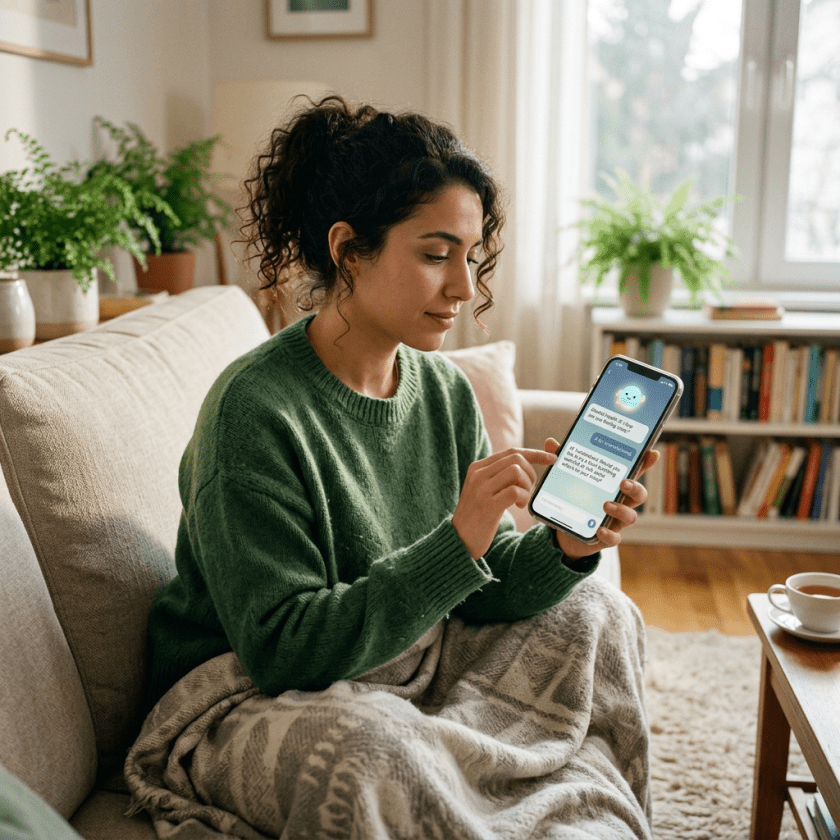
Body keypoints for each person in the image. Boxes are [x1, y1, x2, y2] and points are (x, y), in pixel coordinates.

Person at [127, 96, 656, 839]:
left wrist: (566, 548)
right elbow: (281, 650)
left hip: (400, 656)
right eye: (437, 255)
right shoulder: (254, 411)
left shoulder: (442, 392)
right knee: (380, 750)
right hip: (242, 693)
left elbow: (482, 578)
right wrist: (458, 541)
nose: (464, 290)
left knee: (600, 609)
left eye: (470, 258)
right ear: (348, 249)